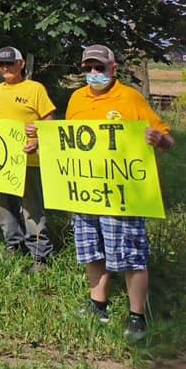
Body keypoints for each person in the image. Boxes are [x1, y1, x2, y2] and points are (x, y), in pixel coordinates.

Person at [65, 44, 176, 340]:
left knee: (130, 255)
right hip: (86, 192)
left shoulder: (130, 98)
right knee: (91, 251)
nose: (93, 73)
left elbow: (168, 140)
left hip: (123, 195)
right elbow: (65, 142)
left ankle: (137, 317)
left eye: (99, 68)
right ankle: (97, 305)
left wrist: (159, 140)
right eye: (87, 68)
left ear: (113, 69)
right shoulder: (76, 99)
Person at [0, 46, 56, 272]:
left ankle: (40, 255)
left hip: (28, 158)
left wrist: (39, 137)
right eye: (2, 64)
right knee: (1, 203)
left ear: (21, 64)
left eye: (10, 63)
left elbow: (49, 120)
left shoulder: (35, 89)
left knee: (31, 207)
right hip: (0, 161)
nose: (6, 68)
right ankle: (13, 244)